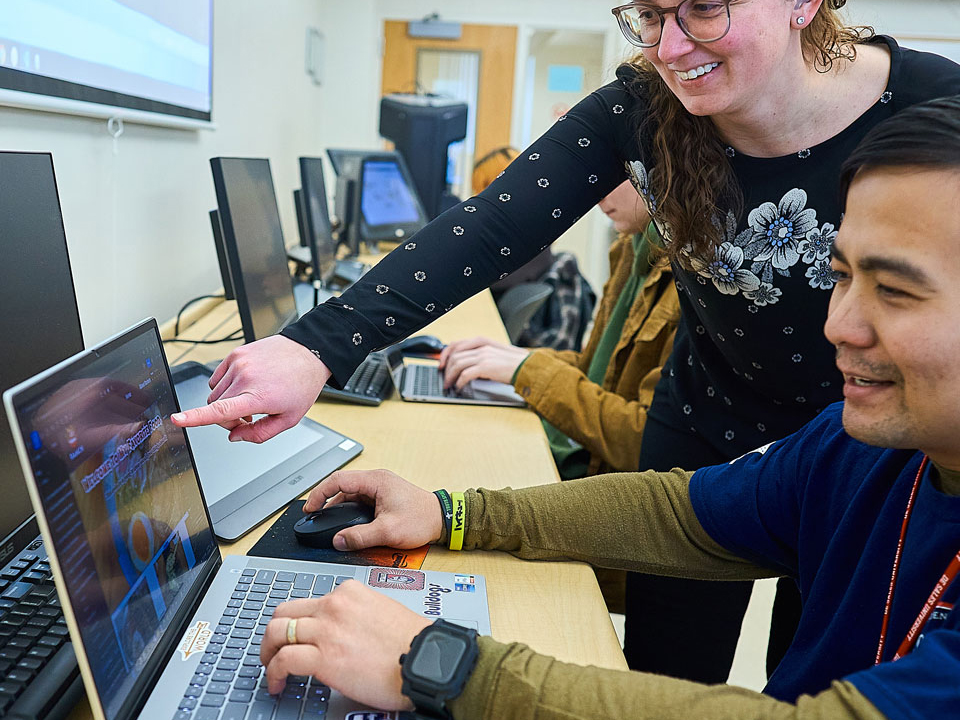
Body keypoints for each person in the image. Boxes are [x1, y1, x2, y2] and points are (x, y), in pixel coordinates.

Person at [173, 0, 960, 682]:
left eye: (707, 8)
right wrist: (314, 349)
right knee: (668, 662)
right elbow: (492, 226)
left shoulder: (931, 105)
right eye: (651, 17)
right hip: (706, 422)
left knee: (819, 664)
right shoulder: (641, 109)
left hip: (875, 446)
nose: (672, 47)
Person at [440, 178, 677, 481]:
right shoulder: (631, 249)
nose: (597, 196)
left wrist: (526, 369)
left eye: (616, 174)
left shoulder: (688, 285)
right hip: (590, 463)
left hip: (608, 484)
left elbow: (645, 443)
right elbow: (596, 372)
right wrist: (509, 358)